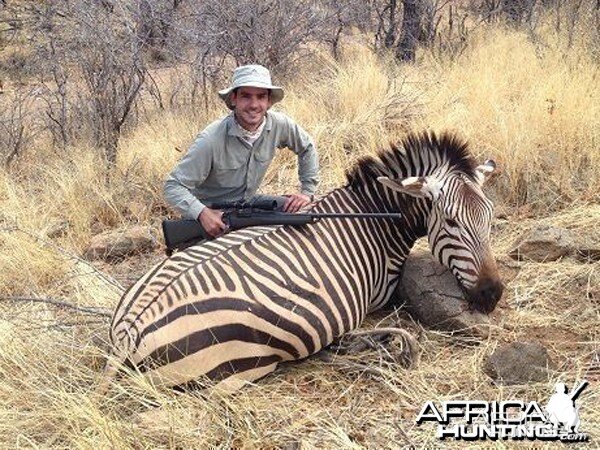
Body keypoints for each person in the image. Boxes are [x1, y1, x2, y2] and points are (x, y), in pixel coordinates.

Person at [164, 64, 319, 240]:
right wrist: (202, 213)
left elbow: (307, 147)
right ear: (233, 99)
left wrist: (306, 192)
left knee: (299, 214)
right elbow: (173, 186)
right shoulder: (210, 139)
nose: (254, 105)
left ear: (268, 101)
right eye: (246, 96)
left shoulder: (280, 124)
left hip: (248, 205)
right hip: (213, 213)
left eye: (261, 97)